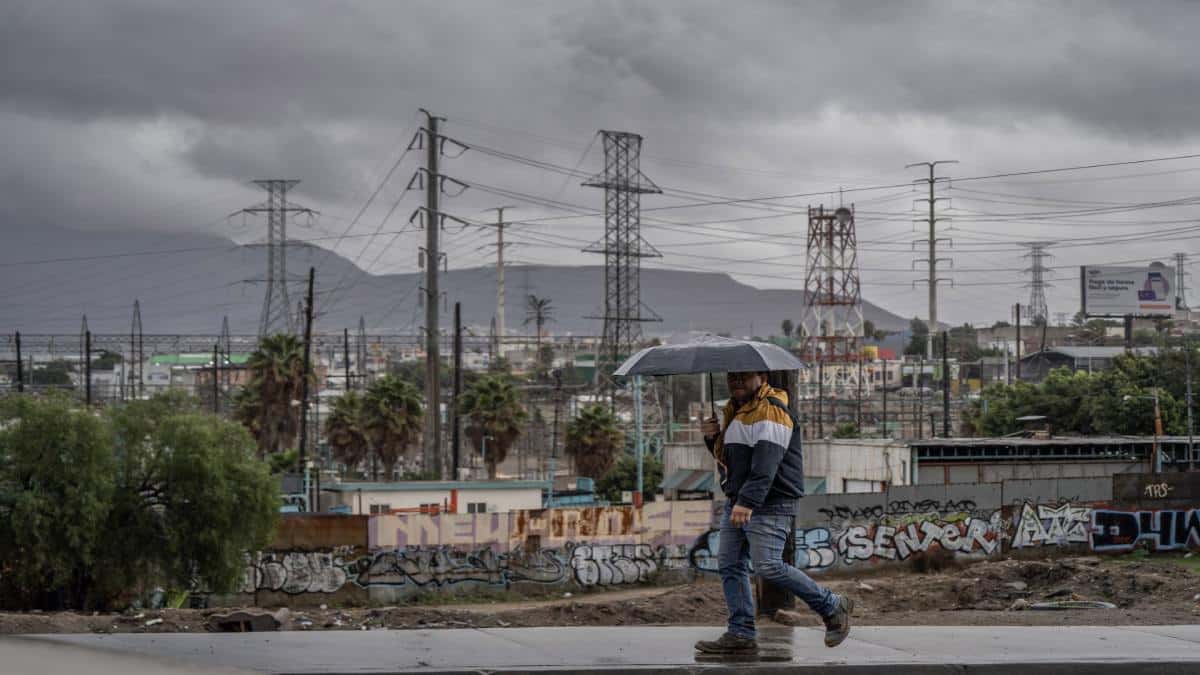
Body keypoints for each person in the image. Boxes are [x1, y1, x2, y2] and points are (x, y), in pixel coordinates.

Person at [693, 370, 853, 654]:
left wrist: (747, 502)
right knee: (730, 564)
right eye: (732, 377)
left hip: (769, 501)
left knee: (767, 565)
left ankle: (832, 605)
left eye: (744, 376)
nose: (736, 382)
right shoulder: (738, 412)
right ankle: (741, 632)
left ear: (762, 377)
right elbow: (732, 462)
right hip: (740, 499)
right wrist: (713, 438)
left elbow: (766, 464)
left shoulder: (772, 411)